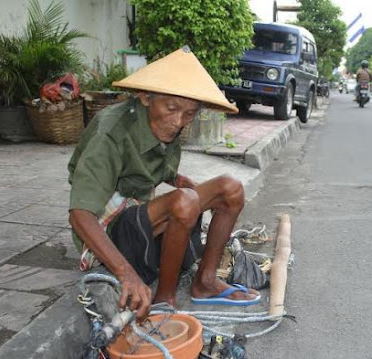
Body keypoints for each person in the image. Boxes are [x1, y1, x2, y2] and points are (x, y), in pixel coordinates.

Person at [68, 47, 260, 321]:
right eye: (171, 108)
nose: (178, 122)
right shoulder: (110, 132)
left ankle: (205, 282)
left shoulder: (169, 127)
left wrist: (178, 180)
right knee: (185, 200)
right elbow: (79, 216)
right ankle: (164, 299)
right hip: (106, 232)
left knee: (231, 188)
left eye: (189, 114)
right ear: (146, 97)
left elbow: (155, 168)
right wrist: (127, 276)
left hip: (140, 220)